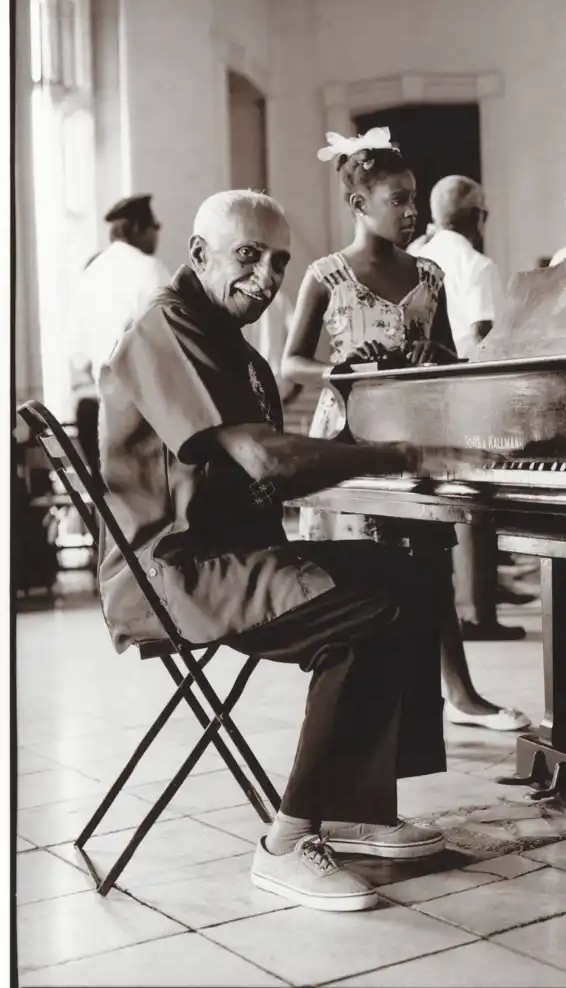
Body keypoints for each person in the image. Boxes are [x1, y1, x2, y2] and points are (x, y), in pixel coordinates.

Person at [98, 189, 500, 911]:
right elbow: (266, 459)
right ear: (199, 254)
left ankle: (355, 809)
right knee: (363, 611)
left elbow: (269, 472)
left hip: (236, 557)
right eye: (248, 256)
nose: (266, 277)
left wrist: (367, 436)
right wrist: (402, 454)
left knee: (408, 574)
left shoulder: (232, 344)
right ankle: (287, 842)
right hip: (175, 573)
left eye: (279, 261)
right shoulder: (170, 326)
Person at [282, 131, 528, 733]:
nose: (412, 211)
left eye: (414, 198)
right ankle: (359, 704)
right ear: (359, 204)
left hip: (414, 435)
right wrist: (341, 369)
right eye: (398, 200)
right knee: (358, 571)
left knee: (431, 564)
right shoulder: (326, 275)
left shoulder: (430, 273)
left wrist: (445, 359)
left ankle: (460, 694)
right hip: (347, 440)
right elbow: (291, 363)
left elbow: (445, 353)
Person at [412, 175, 537, 661]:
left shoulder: (416, 256)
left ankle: (452, 607)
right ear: (476, 217)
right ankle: (478, 613)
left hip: (417, 399)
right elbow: (483, 339)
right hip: (466, 394)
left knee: (440, 506)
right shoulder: (476, 264)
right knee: (476, 507)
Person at [69, 194, 170, 476]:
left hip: (93, 419)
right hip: (137, 419)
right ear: (137, 228)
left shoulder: (89, 275)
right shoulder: (150, 270)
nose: (156, 236)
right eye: (154, 228)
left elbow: (77, 357)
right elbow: (171, 345)